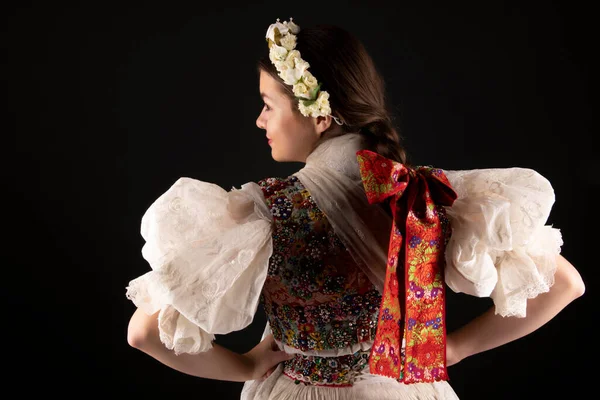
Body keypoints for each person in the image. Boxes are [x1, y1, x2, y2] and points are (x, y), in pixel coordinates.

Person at [125, 18, 585, 399]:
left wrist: (245, 365)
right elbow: (565, 284)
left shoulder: (263, 210)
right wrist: (456, 348)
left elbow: (143, 333)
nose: (260, 120)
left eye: (268, 105)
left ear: (320, 115)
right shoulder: (428, 195)